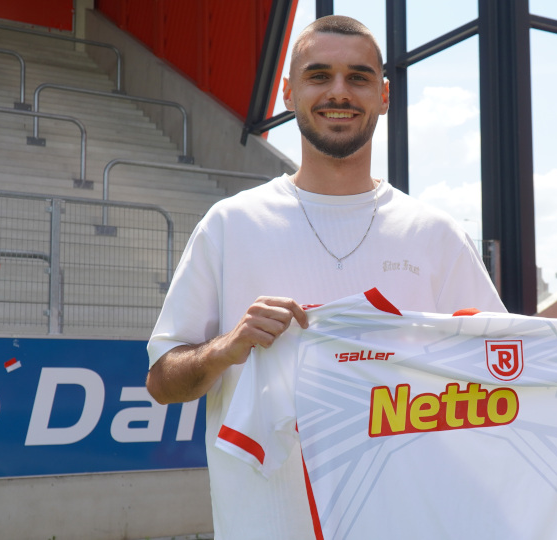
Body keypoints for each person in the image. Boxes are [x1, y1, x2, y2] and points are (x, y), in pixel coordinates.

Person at [146, 15, 505, 540]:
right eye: (319, 75)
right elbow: (162, 383)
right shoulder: (231, 224)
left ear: (384, 95)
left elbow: (501, 377)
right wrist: (226, 348)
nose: (340, 92)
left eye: (358, 77)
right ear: (289, 92)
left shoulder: (435, 234)